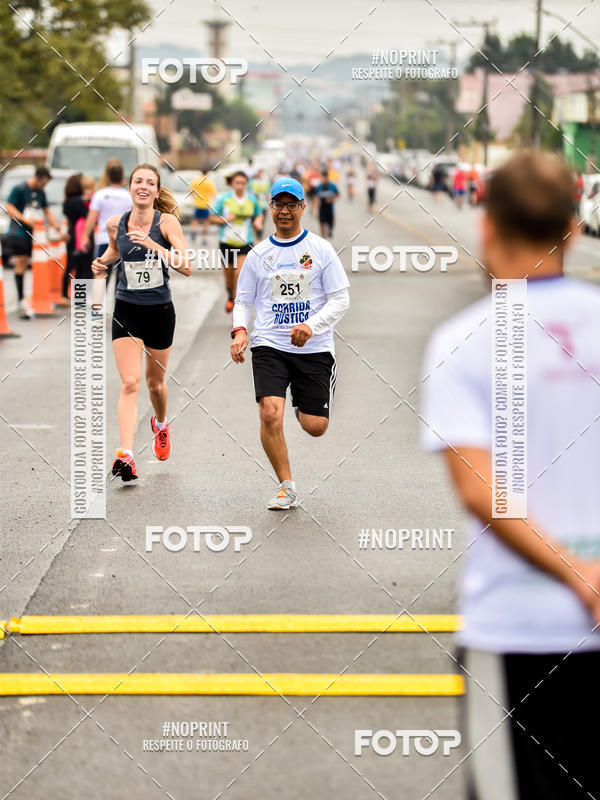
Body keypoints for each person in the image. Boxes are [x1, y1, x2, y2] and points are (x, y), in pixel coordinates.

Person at [421, 150, 600, 800]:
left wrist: (576, 573)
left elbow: (481, 493)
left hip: (517, 627)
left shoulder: (463, 340)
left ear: (486, 228)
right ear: (573, 230)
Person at [230, 177, 350, 510]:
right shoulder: (258, 254)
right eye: (278, 205)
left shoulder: (320, 250)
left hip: (314, 347)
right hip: (270, 343)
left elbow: (341, 300)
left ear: (302, 208)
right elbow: (243, 300)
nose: (284, 211)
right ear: (270, 207)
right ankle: (286, 485)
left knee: (315, 427)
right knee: (269, 413)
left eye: (291, 205)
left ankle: (303, 403)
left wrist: (311, 326)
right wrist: (240, 330)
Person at [91, 163, 192, 482]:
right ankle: (126, 455)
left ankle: (161, 424)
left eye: (150, 182)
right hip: (127, 309)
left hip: (160, 311)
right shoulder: (114, 223)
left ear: (156, 189)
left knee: (155, 384)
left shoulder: (168, 223)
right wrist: (101, 263)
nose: (143, 186)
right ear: (130, 187)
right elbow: (113, 252)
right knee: (130, 382)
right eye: (138, 181)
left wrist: (153, 245)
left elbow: (186, 266)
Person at [3, 166, 65, 318]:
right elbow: (8, 207)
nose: (45, 186)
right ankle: (19, 298)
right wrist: (23, 219)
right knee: (21, 262)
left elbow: (46, 211)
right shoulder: (19, 189)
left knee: (34, 264)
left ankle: (29, 297)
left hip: (36, 235)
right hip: (18, 232)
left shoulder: (40, 192)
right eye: (43, 182)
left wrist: (57, 228)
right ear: (37, 178)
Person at [210, 171, 262, 313]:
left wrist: (258, 221)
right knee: (229, 281)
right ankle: (230, 296)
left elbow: (259, 213)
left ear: (246, 184)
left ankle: (236, 306)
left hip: (245, 243)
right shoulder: (224, 199)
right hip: (226, 243)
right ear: (232, 184)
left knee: (239, 274)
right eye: (237, 183)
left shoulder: (251, 199)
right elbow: (212, 218)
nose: (240, 186)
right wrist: (225, 220)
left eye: (243, 183)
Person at [81, 161, 131, 293]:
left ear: (107, 177)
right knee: (123, 276)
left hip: (104, 239)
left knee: (100, 274)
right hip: (124, 240)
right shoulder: (129, 196)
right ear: (122, 178)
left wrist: (85, 236)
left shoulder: (100, 194)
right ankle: (120, 310)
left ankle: (96, 310)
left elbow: (92, 217)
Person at [61, 174, 93, 305]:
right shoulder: (78, 201)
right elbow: (88, 215)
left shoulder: (67, 200)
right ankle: (81, 297)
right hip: (80, 236)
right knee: (84, 267)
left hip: (71, 234)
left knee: (70, 265)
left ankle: (64, 294)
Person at [189, 169, 217, 245]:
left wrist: (195, 198)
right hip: (206, 205)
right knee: (206, 221)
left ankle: (194, 231)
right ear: (207, 173)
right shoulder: (209, 182)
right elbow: (213, 195)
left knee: (195, 219)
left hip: (197, 204)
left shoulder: (195, 181)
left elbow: (190, 191)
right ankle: (204, 238)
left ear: (201, 172)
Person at [314, 170, 339, 240]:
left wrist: (331, 199)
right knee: (322, 224)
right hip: (322, 208)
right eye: (321, 177)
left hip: (330, 208)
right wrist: (315, 209)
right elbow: (316, 197)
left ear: (327, 178)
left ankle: (330, 231)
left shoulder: (332, 186)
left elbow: (338, 195)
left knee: (330, 224)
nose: (322, 179)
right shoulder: (319, 187)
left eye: (323, 177)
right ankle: (323, 239)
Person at [250, 168, 270, 241]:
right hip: (254, 206)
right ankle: (256, 237)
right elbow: (249, 193)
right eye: (258, 173)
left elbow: (268, 193)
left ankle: (259, 239)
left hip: (264, 206)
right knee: (254, 223)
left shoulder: (266, 183)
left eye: (261, 173)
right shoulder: (252, 182)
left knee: (261, 223)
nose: (260, 174)